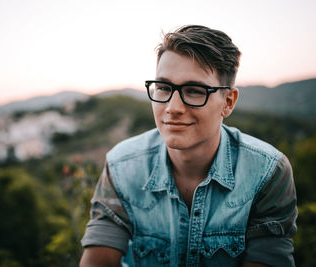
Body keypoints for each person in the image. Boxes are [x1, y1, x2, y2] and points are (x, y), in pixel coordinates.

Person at [79, 25, 298, 266]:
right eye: (163, 88)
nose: (173, 108)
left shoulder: (266, 173)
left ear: (228, 102)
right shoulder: (122, 166)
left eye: (194, 91)